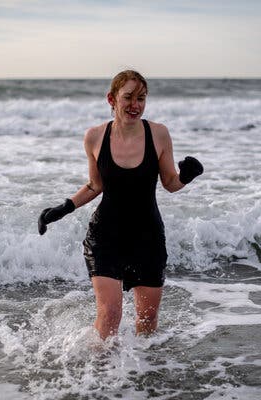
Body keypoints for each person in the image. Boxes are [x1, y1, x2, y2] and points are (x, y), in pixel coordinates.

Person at [37, 70, 203, 340]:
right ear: (111, 99)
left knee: (147, 319)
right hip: (106, 236)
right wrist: (63, 208)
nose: (135, 105)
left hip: (147, 236)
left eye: (141, 98)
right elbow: (95, 185)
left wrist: (186, 176)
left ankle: (144, 376)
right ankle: (98, 378)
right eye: (128, 97)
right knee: (110, 315)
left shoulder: (159, 134)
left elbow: (170, 183)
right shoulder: (94, 137)